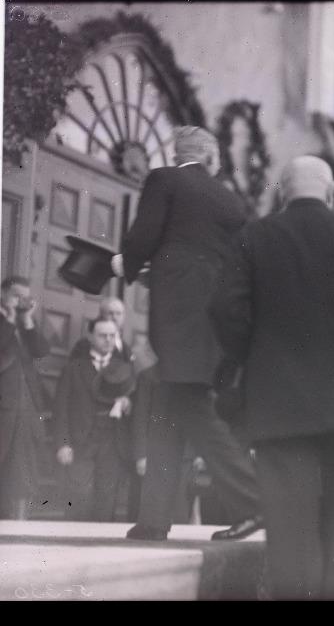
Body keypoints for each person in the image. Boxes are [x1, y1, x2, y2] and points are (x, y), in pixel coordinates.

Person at [208, 155, 334, 600]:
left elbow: (223, 310)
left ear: (282, 193)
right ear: (331, 193)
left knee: (287, 521)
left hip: (279, 406)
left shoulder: (254, 237)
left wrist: (250, 355)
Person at [113, 126, 262, 541]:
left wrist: (124, 265)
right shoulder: (231, 201)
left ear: (177, 155)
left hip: (177, 321)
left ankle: (254, 503)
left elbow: (143, 236)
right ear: (212, 160)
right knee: (167, 408)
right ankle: (154, 519)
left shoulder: (165, 180)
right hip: (210, 326)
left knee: (193, 409)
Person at [53, 318, 136, 521]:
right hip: (81, 442)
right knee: (78, 498)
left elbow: (137, 406)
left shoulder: (124, 368)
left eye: (112, 335)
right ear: (90, 337)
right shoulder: (73, 368)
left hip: (112, 442)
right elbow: (61, 409)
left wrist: (128, 404)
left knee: (106, 501)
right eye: (102, 335)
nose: (108, 340)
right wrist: (63, 444)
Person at [0, 276, 50, 519]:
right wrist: (8, 319)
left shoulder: (24, 321)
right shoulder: (5, 320)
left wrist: (27, 321)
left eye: (25, 297)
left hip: (24, 404)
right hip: (3, 404)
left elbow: (41, 351)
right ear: (3, 294)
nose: (21, 302)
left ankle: (17, 522)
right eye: (16, 296)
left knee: (22, 466)